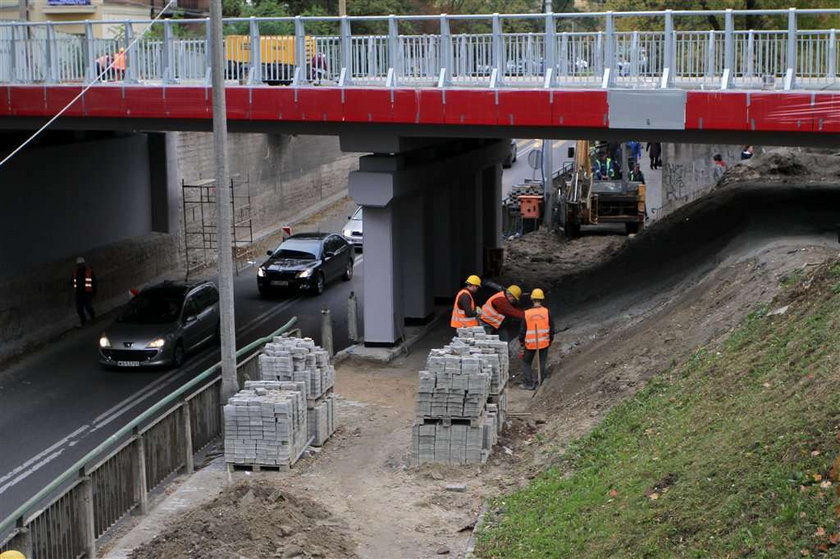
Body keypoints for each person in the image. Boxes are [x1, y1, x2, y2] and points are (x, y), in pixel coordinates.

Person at [519, 288, 554, 390]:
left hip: (530, 344)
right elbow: (552, 328)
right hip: (544, 342)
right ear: (542, 299)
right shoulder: (547, 312)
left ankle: (529, 384)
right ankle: (540, 381)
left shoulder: (527, 313)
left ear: (532, 299)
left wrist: (522, 342)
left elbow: (522, 330)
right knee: (542, 362)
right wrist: (550, 340)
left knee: (526, 363)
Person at [71, 256, 97, 326]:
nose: (80, 265)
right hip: (79, 294)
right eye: (79, 264)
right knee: (79, 309)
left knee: (88, 307)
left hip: (87, 293)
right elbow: (72, 282)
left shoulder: (89, 271)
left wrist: (94, 291)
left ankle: (94, 319)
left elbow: (94, 282)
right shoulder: (75, 272)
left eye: (81, 264)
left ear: (83, 263)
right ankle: (83, 322)